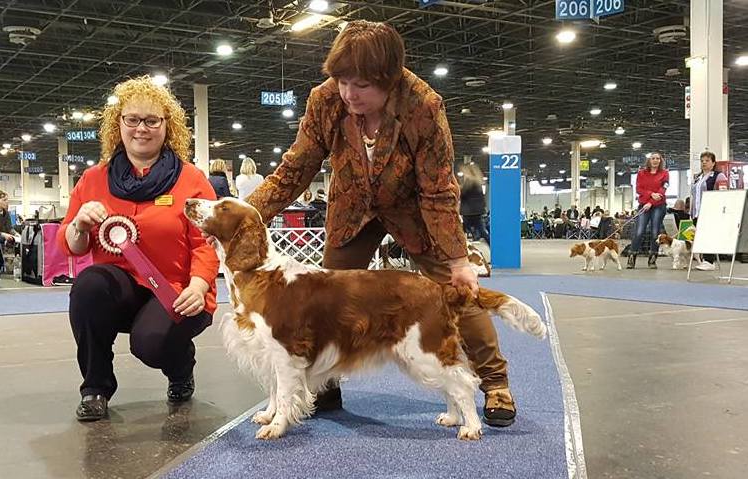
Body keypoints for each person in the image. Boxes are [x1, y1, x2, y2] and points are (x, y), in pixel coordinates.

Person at [245, 20, 517, 427]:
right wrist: (246, 215)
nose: (348, 94)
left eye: (362, 85)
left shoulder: (423, 105)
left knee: (457, 291)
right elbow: (294, 170)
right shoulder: (325, 101)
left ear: (388, 79)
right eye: (341, 82)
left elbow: (438, 190)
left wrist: (459, 259)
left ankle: (495, 384)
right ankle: (324, 385)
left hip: (415, 211)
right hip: (352, 210)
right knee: (325, 298)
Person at [56, 75, 219, 422]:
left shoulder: (191, 179)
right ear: (119, 125)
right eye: (132, 119)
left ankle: (180, 368)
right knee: (88, 285)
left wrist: (199, 285)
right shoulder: (93, 179)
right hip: (121, 290)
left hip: (176, 290)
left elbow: (206, 241)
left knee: (149, 345)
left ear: (167, 125)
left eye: (151, 120)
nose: (141, 128)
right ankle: (95, 388)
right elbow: (71, 246)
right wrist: (79, 224)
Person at [627, 152, 668, 269]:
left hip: (659, 206)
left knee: (655, 233)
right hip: (643, 205)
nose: (655, 160)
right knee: (639, 232)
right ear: (649, 161)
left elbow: (663, 190)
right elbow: (639, 189)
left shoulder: (665, 174)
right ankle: (632, 257)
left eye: (657, 159)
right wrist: (650, 195)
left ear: (660, 161)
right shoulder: (641, 173)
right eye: (653, 158)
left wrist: (651, 202)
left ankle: (652, 259)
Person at [690, 151, 728, 270]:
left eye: (707, 161)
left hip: (710, 211)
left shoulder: (719, 176)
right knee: (700, 236)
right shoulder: (697, 177)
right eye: (702, 161)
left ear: (713, 163)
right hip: (697, 211)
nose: (704, 163)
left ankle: (709, 261)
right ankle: (704, 260)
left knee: (708, 235)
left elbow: (723, 194)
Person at [458, 162, 489, 244]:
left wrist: (459, 188)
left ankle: (457, 250)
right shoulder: (478, 181)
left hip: (469, 211)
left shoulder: (469, 181)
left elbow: (462, 194)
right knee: (482, 231)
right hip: (477, 211)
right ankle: (494, 247)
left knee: (460, 230)